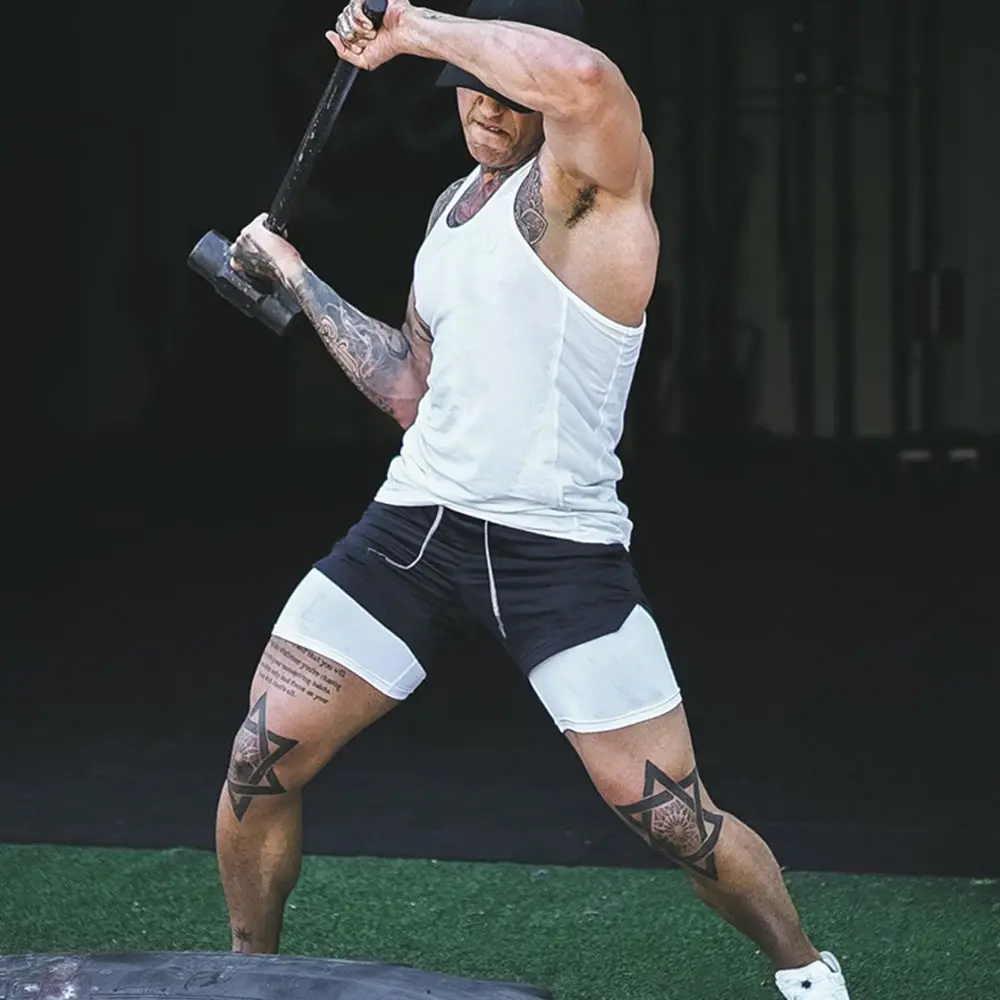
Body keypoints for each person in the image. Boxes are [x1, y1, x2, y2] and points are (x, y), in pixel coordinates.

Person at [218, 2, 852, 997]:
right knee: (260, 760)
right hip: (414, 527)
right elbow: (411, 390)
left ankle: (808, 973)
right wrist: (297, 278)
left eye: (507, 92)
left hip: (556, 549)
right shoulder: (450, 211)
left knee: (673, 816)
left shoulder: (588, 191)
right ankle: (245, 981)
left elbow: (587, 82)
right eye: (468, 90)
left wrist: (410, 27)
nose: (485, 107)